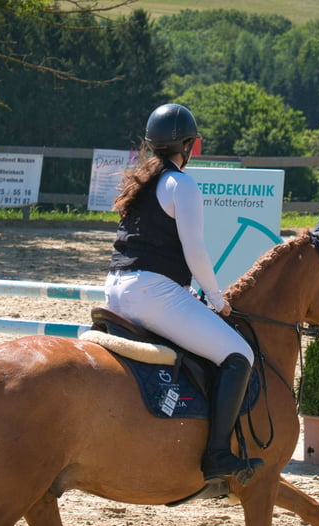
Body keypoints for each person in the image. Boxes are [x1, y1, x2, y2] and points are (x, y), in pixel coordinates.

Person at [105, 103, 263, 482]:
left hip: (116, 289)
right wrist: (216, 299)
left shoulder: (140, 183)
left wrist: (186, 291)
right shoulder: (182, 184)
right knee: (240, 353)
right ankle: (218, 455)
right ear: (189, 144)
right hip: (152, 294)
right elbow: (195, 252)